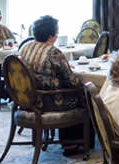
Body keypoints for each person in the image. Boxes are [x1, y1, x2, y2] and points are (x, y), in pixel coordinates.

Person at [19, 15, 87, 156]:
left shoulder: (25, 48)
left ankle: (71, 141)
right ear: (51, 37)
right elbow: (71, 81)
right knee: (84, 95)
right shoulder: (53, 52)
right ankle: (73, 144)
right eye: (56, 34)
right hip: (47, 103)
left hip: (27, 100)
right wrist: (83, 82)